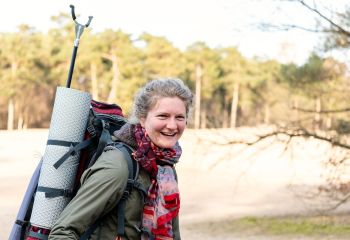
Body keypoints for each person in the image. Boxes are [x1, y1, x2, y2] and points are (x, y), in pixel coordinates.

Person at [49, 78, 193, 240]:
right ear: (142, 118)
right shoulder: (118, 166)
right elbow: (62, 232)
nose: (173, 125)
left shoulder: (165, 167)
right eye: (163, 116)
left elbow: (173, 234)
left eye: (179, 117)